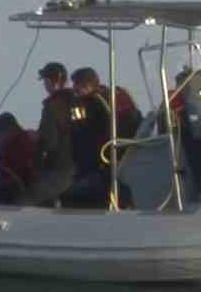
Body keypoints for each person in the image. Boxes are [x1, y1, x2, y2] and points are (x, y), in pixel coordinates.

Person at [65, 66, 141, 207]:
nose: (74, 90)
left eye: (76, 86)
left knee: (71, 196)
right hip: (126, 156)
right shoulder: (117, 94)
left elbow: (78, 134)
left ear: (86, 85)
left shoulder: (87, 103)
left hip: (101, 163)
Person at [23, 61, 78, 206]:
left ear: (48, 81)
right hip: (79, 165)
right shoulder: (77, 100)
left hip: (61, 168)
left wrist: (36, 137)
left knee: (25, 201)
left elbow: (50, 142)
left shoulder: (53, 105)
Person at [0, 112, 38, 203]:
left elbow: (17, 179)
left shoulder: (22, 146)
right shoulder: (12, 145)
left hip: (22, 195)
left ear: (11, 131)